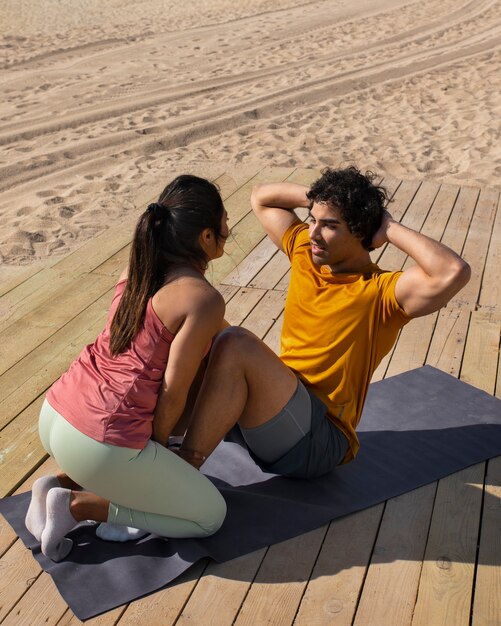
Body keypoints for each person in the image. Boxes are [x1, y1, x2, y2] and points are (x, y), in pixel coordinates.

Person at [177, 166, 471, 479]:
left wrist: (388, 226)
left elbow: (453, 271)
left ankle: (182, 473)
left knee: (236, 342)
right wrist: (323, 201)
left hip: (319, 441)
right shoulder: (306, 252)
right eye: (313, 221)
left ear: (361, 231)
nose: (314, 233)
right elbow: (261, 197)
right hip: (274, 412)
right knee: (204, 325)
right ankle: (153, 445)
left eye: (329, 225)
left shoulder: (381, 293)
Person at [25, 174, 229, 561]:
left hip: (57, 414)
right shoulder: (202, 298)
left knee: (131, 460)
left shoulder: (138, 269)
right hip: (99, 439)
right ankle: (76, 507)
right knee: (209, 516)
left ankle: (52, 482)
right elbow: (173, 391)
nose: (228, 229)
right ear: (205, 237)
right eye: (224, 223)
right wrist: (156, 452)